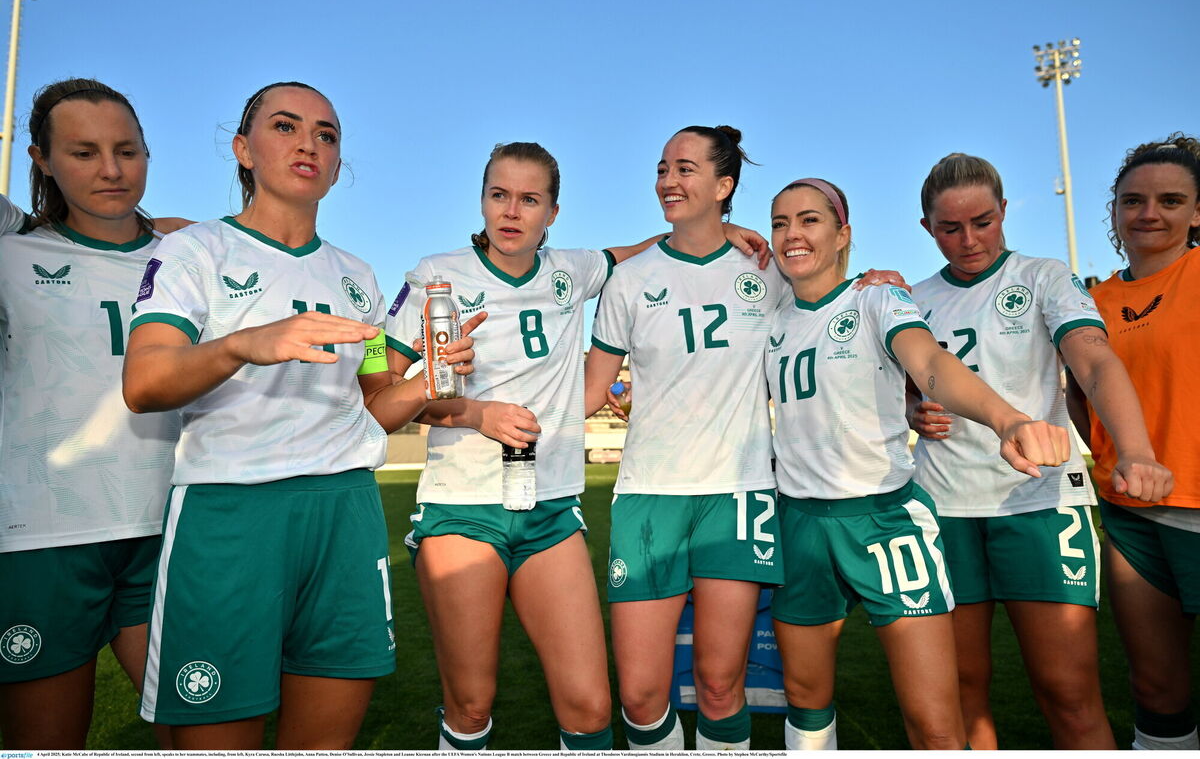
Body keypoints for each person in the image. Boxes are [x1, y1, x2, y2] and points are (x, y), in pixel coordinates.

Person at [121, 81, 476, 750]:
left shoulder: (357, 278)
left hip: (345, 513)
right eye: (285, 126)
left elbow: (375, 407)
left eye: (326, 134)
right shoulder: (194, 252)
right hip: (231, 512)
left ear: (337, 168)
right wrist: (242, 344)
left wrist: (427, 381)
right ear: (243, 149)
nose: (309, 143)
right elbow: (143, 383)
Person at [386, 141, 768, 751]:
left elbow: (641, 251)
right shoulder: (437, 275)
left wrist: (724, 229)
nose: (512, 211)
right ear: (481, 201)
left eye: (529, 199)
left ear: (553, 213)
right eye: (499, 195)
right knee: (471, 704)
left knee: (591, 710)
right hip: (463, 505)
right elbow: (382, 389)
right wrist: (473, 412)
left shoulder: (573, 271)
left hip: (552, 508)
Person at [765, 176, 1072, 750]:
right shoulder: (770, 313)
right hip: (800, 521)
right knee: (805, 701)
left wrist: (1007, 420)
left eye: (809, 220)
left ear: (842, 234)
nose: (792, 234)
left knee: (934, 722)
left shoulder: (877, 299)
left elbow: (929, 363)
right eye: (780, 223)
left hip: (884, 521)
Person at [906, 153, 1171, 748]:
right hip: (943, 509)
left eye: (982, 222)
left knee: (1067, 693)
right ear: (927, 227)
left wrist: (1135, 450)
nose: (969, 240)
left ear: (1004, 211)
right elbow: (902, 386)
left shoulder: (1044, 277)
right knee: (961, 691)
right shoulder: (913, 298)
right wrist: (910, 411)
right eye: (950, 228)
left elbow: (1093, 360)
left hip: (1038, 502)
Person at [583, 125, 788, 751]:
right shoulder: (629, 280)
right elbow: (589, 392)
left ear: (724, 186)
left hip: (739, 493)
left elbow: (836, 309)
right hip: (650, 494)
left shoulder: (769, 271)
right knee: (641, 696)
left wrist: (878, 278)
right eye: (662, 168)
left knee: (721, 685)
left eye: (685, 168)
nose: (668, 180)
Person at [0, 79, 181, 750]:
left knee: (208, 735)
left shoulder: (190, 258)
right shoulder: (12, 251)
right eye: (83, 152)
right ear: (41, 159)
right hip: (39, 538)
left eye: (127, 151)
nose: (111, 169)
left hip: (167, 528)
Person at [1066, 134, 1200, 751]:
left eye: (1170, 200)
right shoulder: (1092, 301)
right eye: (1133, 201)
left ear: (1196, 212)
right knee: (1155, 685)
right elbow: (1077, 395)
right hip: (1131, 515)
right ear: (1115, 211)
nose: (1149, 213)